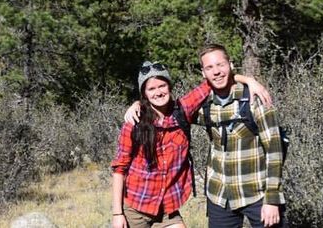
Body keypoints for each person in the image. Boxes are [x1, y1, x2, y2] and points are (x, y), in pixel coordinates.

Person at [111, 61, 271, 228]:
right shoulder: (134, 123)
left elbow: (212, 81)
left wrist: (248, 80)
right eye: (151, 89)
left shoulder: (182, 110)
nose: (158, 92)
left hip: (167, 211)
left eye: (162, 86)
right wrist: (117, 214)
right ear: (144, 93)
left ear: (169, 87)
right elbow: (119, 169)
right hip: (135, 209)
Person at [198, 44, 286, 228]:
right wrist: (138, 104)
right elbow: (171, 110)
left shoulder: (254, 98)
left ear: (231, 64)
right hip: (220, 196)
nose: (216, 72)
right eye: (209, 67)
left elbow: (274, 150)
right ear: (203, 73)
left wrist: (272, 199)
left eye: (220, 65)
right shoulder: (204, 105)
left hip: (257, 193)